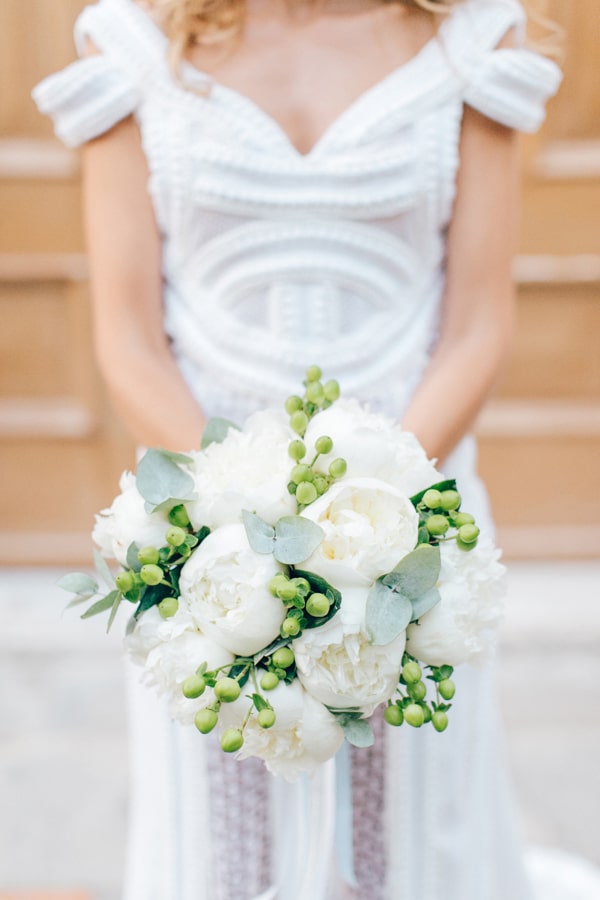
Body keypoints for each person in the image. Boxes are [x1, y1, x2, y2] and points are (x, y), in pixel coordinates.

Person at [33, 2, 597, 899]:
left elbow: (478, 326)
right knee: (222, 829)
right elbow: (129, 339)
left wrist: (378, 512)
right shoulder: (133, 47)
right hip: (204, 527)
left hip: (410, 513)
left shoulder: (474, 46)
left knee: (410, 823)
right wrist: (242, 518)